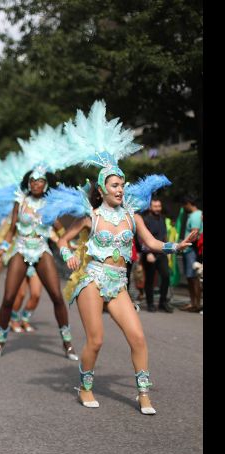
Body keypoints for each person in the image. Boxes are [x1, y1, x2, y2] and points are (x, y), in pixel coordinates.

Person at [44, 100, 198, 415]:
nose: (121, 188)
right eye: (115, 185)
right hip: (92, 279)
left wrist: (177, 246)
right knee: (96, 341)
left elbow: (153, 242)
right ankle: (85, 387)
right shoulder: (91, 216)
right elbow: (62, 239)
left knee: (138, 337)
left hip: (119, 283)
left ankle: (143, 394)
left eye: (123, 184)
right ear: (101, 190)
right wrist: (69, 253)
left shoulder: (131, 215)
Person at [0, 125, 78, 360]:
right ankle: (0, 340)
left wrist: (69, 247)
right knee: (8, 298)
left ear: (45, 184)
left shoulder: (50, 204)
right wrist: (0, 248)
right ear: (28, 183)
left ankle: (67, 343)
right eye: (32, 180)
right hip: (20, 248)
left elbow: (60, 231)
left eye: (39, 181)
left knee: (56, 296)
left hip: (41, 248)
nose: (35, 184)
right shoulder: (20, 200)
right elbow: (11, 229)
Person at [140, 197, 172, 312]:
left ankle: (163, 302)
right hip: (149, 253)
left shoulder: (162, 218)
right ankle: (150, 303)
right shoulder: (145, 220)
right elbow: (141, 238)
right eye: (155, 206)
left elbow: (164, 235)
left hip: (161, 253)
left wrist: (168, 249)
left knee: (166, 276)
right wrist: (147, 253)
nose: (158, 209)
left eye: (159, 206)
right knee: (149, 279)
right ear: (150, 207)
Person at [180, 194, 203, 312]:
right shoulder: (199, 214)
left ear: (188, 204)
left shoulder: (194, 215)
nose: (183, 208)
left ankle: (196, 304)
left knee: (193, 278)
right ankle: (194, 303)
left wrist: (183, 244)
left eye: (184, 205)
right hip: (192, 250)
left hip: (191, 251)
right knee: (193, 277)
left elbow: (195, 233)